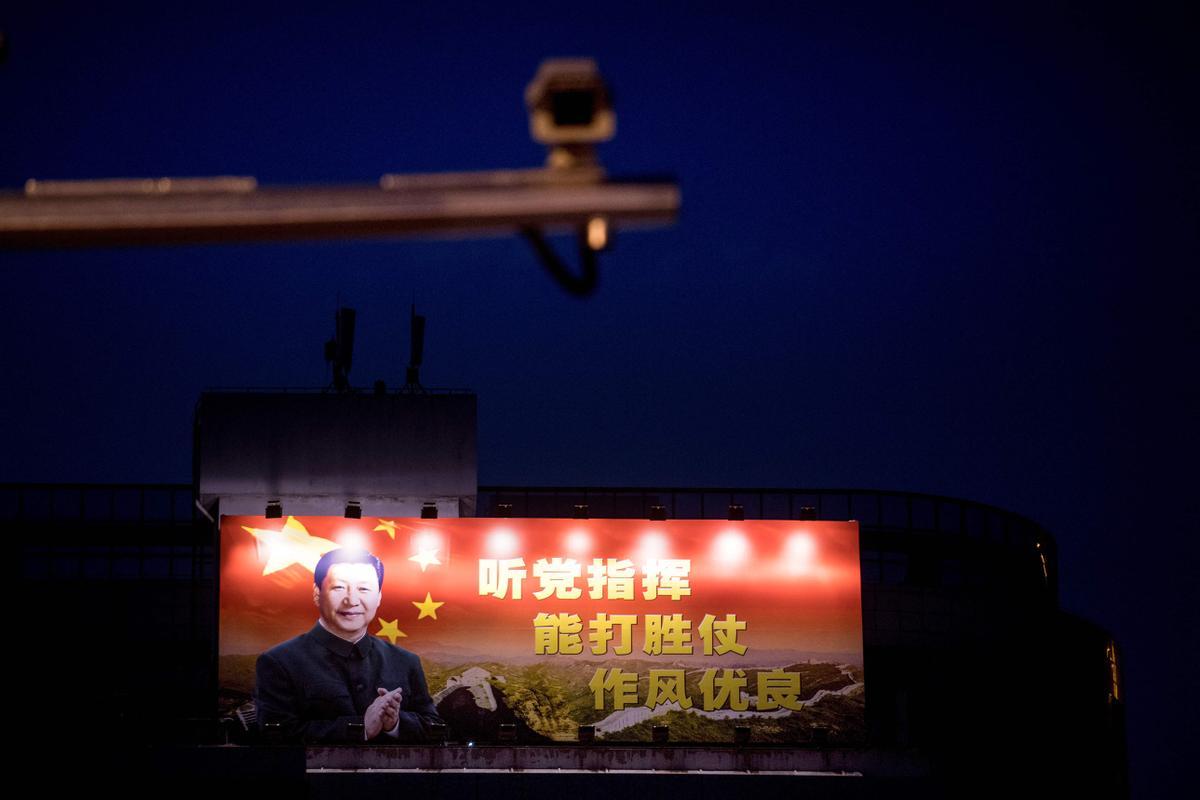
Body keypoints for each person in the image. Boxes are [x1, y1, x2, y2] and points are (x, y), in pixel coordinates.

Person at [255, 548, 442, 743]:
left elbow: (435, 728)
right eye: (339, 588)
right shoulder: (279, 662)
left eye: (364, 589)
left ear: (379, 597)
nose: (352, 601)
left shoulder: (405, 661)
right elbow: (274, 738)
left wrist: (394, 723)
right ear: (317, 594)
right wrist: (362, 728)